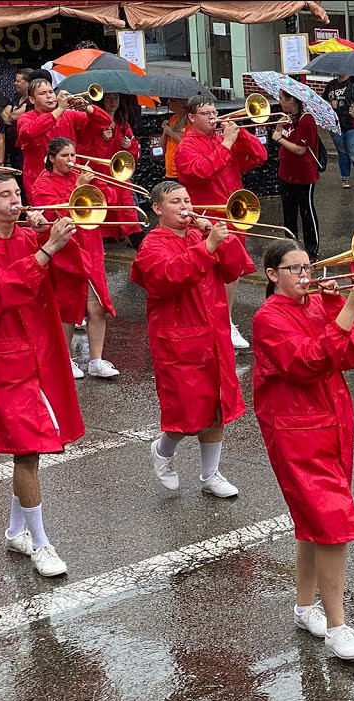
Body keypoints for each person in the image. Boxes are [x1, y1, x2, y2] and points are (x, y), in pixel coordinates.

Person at [253, 238, 354, 661]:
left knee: (314, 522)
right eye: (296, 269)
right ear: (272, 275)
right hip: (294, 428)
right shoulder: (268, 317)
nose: (307, 276)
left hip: (331, 420)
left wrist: (341, 310)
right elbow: (301, 363)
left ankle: (305, 607)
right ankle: (337, 625)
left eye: (308, 267)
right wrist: (346, 314)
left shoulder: (316, 305)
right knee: (332, 523)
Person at [0, 171, 84, 577]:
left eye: (17, 193)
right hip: (5, 360)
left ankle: (16, 531)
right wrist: (46, 249)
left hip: (40, 353)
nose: (15, 201)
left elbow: (73, 271)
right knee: (28, 449)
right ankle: (42, 545)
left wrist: (57, 234)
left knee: (28, 449)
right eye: (5, 195)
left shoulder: (28, 236)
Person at [130, 181, 254, 500]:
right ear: (158, 209)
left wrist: (220, 240)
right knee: (185, 414)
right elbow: (168, 278)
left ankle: (210, 473)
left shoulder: (201, 235)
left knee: (217, 408)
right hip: (178, 341)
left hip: (212, 335)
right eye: (175, 202)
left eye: (187, 199)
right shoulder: (152, 244)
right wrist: (208, 246)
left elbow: (235, 269)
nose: (185, 206)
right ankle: (163, 449)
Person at [174, 94, 267, 351]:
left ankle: (225, 320)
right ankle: (210, 323)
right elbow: (200, 172)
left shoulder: (220, 138)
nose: (214, 117)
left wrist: (241, 133)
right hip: (206, 218)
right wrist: (226, 143)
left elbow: (259, 156)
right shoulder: (187, 146)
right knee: (207, 273)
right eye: (207, 114)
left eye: (215, 112)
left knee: (232, 272)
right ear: (192, 118)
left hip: (234, 215)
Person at [32, 137, 118, 379]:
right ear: (51, 158)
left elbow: (108, 201)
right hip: (66, 252)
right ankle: (64, 359)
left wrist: (98, 182)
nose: (71, 161)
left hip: (90, 247)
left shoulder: (80, 175)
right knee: (67, 308)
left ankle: (96, 360)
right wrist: (78, 186)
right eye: (65, 156)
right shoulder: (43, 183)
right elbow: (51, 214)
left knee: (98, 306)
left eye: (73, 155)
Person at [16, 78, 111, 203]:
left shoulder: (70, 115)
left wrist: (87, 108)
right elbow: (29, 133)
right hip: (39, 180)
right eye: (42, 93)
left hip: (70, 177)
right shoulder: (26, 118)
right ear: (32, 99)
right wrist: (60, 109)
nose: (49, 96)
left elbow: (105, 121)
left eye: (50, 92)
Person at [77, 92, 142, 246]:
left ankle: (137, 240)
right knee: (102, 208)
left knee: (127, 207)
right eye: (108, 98)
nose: (113, 102)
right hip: (99, 174)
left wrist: (129, 146)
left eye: (115, 98)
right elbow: (85, 153)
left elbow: (132, 156)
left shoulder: (123, 124)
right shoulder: (92, 123)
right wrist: (103, 141)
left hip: (118, 175)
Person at [272, 89, 322, 260]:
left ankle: (311, 250)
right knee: (288, 212)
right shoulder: (288, 118)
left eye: (281, 98)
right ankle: (290, 246)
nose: (279, 102)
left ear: (291, 99)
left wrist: (278, 138)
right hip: (286, 173)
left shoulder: (306, 120)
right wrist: (279, 127)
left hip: (303, 175)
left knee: (306, 211)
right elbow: (284, 136)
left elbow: (300, 149)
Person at [321, 74, 354, 189]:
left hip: (353, 124)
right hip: (336, 125)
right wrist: (330, 104)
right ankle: (345, 177)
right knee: (342, 152)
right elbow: (323, 100)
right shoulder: (331, 85)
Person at [161, 98, 188, 182]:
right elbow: (162, 145)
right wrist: (165, 130)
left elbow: (187, 145)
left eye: (171, 100)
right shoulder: (173, 118)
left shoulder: (189, 121)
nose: (168, 102)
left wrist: (170, 132)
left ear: (179, 103)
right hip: (170, 168)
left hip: (181, 169)